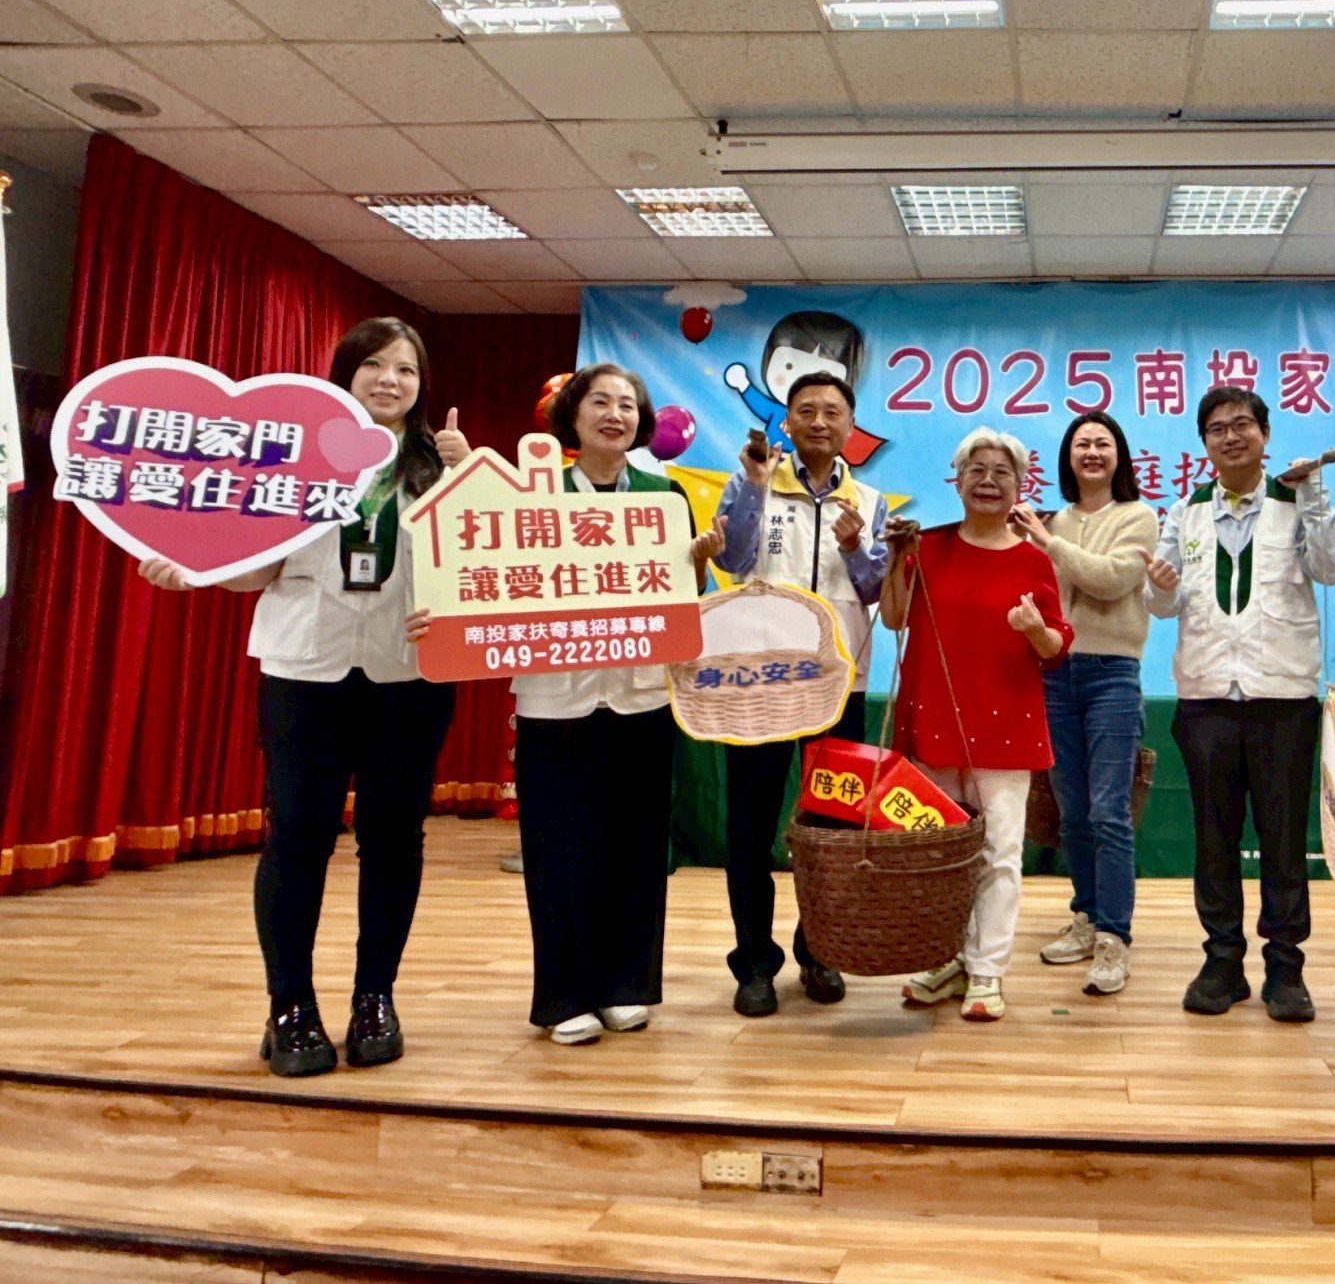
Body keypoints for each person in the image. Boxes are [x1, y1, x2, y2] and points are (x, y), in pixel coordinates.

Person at [138, 317, 469, 1077]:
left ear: (422, 386)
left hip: (409, 676)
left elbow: (485, 575)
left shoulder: (441, 467)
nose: (389, 380)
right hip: (304, 670)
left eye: (406, 370)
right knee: (297, 837)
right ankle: (289, 1007)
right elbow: (257, 564)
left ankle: (375, 999)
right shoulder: (290, 455)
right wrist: (194, 568)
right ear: (344, 372)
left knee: (394, 840)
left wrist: (465, 480)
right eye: (374, 365)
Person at [426, 363, 691, 1047]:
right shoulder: (534, 493)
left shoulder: (666, 496)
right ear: (571, 415)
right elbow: (475, 564)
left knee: (636, 846)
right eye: (600, 401)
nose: (615, 414)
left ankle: (626, 985)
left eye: (627, 404)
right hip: (555, 699)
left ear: (641, 422)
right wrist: (460, 473)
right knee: (557, 848)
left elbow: (682, 593)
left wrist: (698, 563)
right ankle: (563, 995)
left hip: (640, 695)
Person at [1143, 387, 1335, 1023]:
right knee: (1214, 838)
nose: (1230, 437)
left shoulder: (1298, 500)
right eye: (1216, 429)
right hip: (1206, 697)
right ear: (1204, 444)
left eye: (1241, 425)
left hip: (1281, 698)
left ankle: (1286, 968)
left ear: (1265, 434)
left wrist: (1314, 495)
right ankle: (1222, 962)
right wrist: (1158, 586)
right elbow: (1162, 606)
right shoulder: (1184, 512)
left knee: (1284, 839)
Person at [696, 370, 890, 1017]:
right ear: (787, 420)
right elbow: (732, 559)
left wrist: (856, 545)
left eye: (832, 411)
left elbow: (876, 590)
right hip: (759, 683)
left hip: (839, 687)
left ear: (849, 425)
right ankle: (754, 963)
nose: (818, 421)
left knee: (830, 829)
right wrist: (754, 485)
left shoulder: (870, 500)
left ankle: (820, 950)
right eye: (806, 410)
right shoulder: (751, 479)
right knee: (749, 828)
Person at [885, 428, 1073, 1022]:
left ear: (1020, 485)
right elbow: (893, 618)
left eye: (1002, 472)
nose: (989, 481)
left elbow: (1055, 647)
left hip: (1006, 728)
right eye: (977, 470)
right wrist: (893, 559)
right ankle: (949, 960)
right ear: (958, 479)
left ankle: (988, 969)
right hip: (933, 721)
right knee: (939, 855)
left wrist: (1034, 629)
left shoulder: (1035, 559)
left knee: (998, 854)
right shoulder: (926, 547)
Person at [1011, 412, 1158, 996]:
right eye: (1081, 444)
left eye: (1102, 443)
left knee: (1108, 810)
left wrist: (1049, 543)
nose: (1092, 452)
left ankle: (1114, 936)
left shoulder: (1138, 517)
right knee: (1071, 809)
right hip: (1052, 670)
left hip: (1112, 673)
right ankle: (1086, 916)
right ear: (1068, 458)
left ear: (1118, 455)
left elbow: (1111, 580)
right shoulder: (1052, 520)